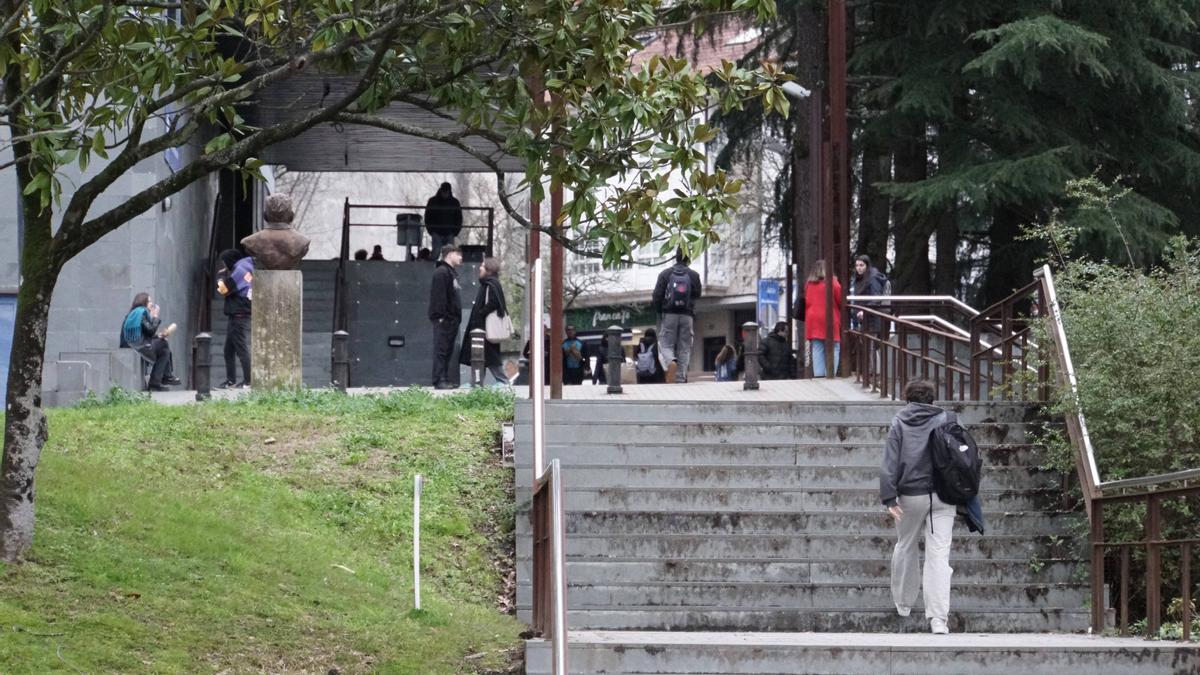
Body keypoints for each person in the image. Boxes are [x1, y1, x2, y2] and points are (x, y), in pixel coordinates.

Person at [879, 379, 955, 635]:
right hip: (944, 497)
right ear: (932, 399)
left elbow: (890, 460)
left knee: (905, 545)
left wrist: (889, 496)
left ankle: (903, 604)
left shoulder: (899, 421)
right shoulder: (948, 418)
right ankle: (938, 620)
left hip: (911, 495)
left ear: (907, 398)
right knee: (939, 556)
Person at [651, 249, 702, 383]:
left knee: (666, 344)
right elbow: (698, 294)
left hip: (669, 314)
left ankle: (671, 361)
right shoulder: (694, 275)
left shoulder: (665, 274)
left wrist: (660, 311)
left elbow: (656, 296)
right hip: (687, 315)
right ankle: (680, 378)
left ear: (676, 257)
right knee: (684, 347)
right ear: (688, 258)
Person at [458, 257, 509, 384]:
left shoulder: (491, 284)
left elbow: (493, 302)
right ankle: (476, 382)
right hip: (482, 328)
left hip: (485, 328)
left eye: (482, 266)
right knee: (481, 357)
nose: (480, 268)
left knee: (488, 356)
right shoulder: (490, 283)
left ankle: (502, 381)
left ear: (489, 269)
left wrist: (480, 313)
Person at [120, 293, 180, 391]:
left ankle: (161, 380)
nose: (152, 304)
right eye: (150, 301)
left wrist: (159, 336)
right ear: (144, 302)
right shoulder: (142, 312)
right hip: (136, 345)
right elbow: (150, 330)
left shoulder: (133, 313)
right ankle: (162, 379)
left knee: (164, 347)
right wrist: (155, 316)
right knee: (164, 345)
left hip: (132, 343)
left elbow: (145, 333)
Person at [428, 244, 463, 389]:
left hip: (451, 319)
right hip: (445, 319)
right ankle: (439, 380)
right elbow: (438, 296)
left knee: (447, 350)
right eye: (458, 254)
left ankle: (444, 378)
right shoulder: (441, 272)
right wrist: (440, 317)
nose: (460, 258)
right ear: (449, 255)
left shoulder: (450, 273)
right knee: (442, 350)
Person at [217, 249, 254, 389]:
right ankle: (231, 381)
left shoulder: (239, 270)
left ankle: (248, 382)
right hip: (238, 314)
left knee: (241, 349)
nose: (224, 265)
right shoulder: (246, 267)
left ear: (229, 260)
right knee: (228, 350)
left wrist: (220, 278)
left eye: (224, 262)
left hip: (238, 315)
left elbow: (223, 290)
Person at [804, 259, 843, 377]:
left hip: (813, 319)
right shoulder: (834, 283)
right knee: (834, 345)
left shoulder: (809, 285)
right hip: (829, 317)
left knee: (817, 347)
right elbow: (840, 301)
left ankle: (819, 375)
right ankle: (830, 374)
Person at [425, 182, 463, 253]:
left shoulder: (433, 201)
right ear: (441, 191)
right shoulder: (454, 202)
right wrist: (431, 231)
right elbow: (427, 217)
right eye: (444, 192)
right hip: (438, 232)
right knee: (437, 252)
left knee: (447, 254)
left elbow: (459, 218)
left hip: (448, 233)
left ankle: (436, 263)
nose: (445, 194)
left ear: (449, 192)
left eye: (446, 192)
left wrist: (455, 232)